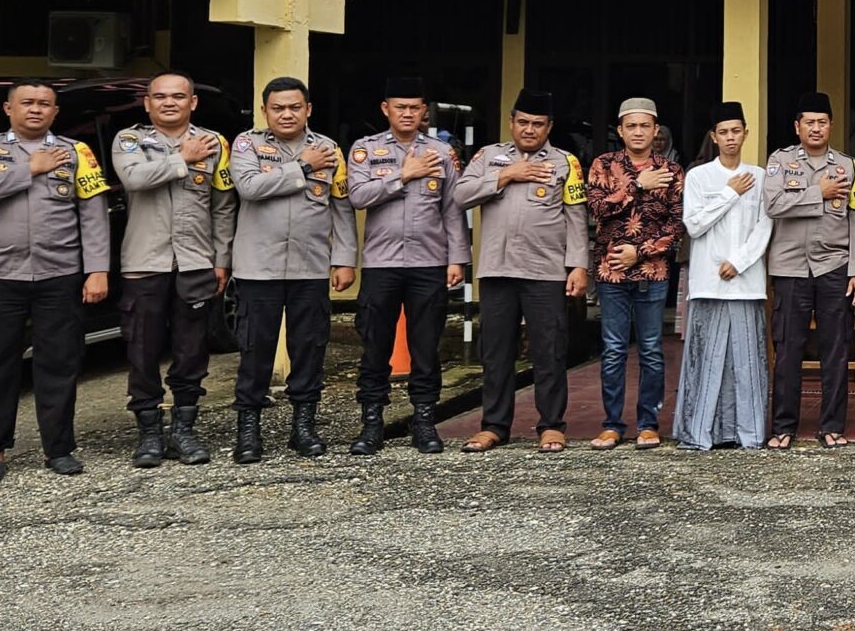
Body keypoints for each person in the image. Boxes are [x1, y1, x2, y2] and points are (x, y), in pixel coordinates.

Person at [0, 80, 111, 484]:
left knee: (59, 362)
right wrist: (30, 169)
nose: (36, 109)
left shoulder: (77, 153)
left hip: (59, 273)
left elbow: (93, 214)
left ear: (56, 113)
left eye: (45, 104)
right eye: (27, 103)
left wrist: (97, 269)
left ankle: (58, 448)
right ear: (9, 108)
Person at [227, 77, 359, 464]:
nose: (287, 114)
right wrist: (303, 165)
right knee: (256, 349)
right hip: (258, 268)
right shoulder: (247, 144)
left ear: (308, 110)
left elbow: (342, 207)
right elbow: (250, 187)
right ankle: (248, 430)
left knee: (309, 348)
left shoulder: (329, 149)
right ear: (265, 110)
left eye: (295, 107)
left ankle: (304, 427)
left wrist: (345, 259)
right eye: (278, 108)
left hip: (311, 267)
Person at [455, 89, 591, 452]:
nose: (530, 130)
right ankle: (494, 426)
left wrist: (578, 265)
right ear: (512, 121)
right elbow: (459, 196)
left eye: (538, 124)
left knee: (549, 350)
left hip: (545, 271)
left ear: (549, 127)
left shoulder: (566, 162)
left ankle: (551, 425)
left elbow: (576, 218)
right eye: (524, 122)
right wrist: (506, 175)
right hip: (497, 270)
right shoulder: (488, 157)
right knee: (496, 352)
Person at [111, 73, 235, 468]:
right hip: (144, 263)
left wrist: (221, 260)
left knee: (191, 352)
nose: (169, 103)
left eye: (178, 96)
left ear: (193, 103)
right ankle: (149, 433)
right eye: (160, 97)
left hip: (195, 262)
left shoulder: (215, 144)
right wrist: (182, 158)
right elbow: (134, 177)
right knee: (142, 351)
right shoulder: (129, 141)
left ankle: (184, 430)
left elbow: (222, 205)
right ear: (146, 104)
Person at [344, 77, 469, 455]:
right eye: (400, 107)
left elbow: (453, 209)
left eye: (415, 108)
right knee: (375, 345)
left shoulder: (441, 153)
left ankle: (425, 421)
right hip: (381, 264)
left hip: (429, 263)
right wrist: (404, 175)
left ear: (424, 112)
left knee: (426, 346)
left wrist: (458, 258)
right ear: (386, 110)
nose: (408, 114)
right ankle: (371, 424)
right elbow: (359, 196)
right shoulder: (366, 151)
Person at [762, 91, 855, 449]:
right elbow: (774, 204)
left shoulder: (848, 166)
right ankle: (783, 426)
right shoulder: (779, 163)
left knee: (836, 348)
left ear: (831, 126)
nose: (815, 128)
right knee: (789, 348)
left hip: (834, 266)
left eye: (822, 122)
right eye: (808, 122)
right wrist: (818, 191)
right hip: (791, 267)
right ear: (797, 127)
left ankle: (832, 426)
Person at [584, 97, 683, 450]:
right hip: (610, 274)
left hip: (653, 273)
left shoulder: (672, 172)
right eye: (631, 126)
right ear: (620, 130)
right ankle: (612, 424)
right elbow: (596, 209)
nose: (638, 132)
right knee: (613, 350)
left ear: (656, 130)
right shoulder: (603, 165)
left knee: (652, 350)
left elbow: (676, 228)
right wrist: (637, 185)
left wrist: (638, 252)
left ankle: (648, 424)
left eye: (645, 126)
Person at [677, 102, 770, 451]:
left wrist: (741, 261)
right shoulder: (700, 177)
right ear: (714, 137)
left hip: (746, 282)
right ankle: (700, 433)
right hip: (708, 281)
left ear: (745, 133)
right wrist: (731, 192)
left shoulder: (760, 176)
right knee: (707, 360)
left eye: (736, 131)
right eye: (724, 132)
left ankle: (749, 433)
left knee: (746, 362)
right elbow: (695, 223)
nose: (731, 138)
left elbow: (765, 227)